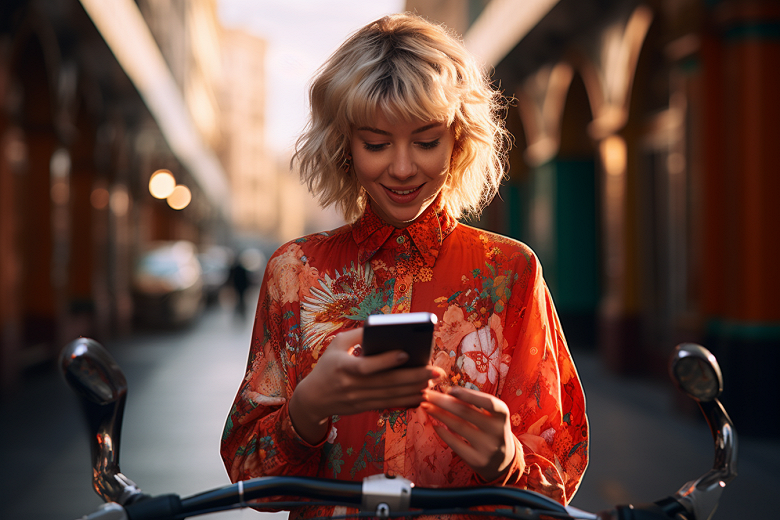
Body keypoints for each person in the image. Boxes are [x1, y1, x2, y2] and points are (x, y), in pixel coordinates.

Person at [221, 13, 588, 518]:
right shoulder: (295, 272)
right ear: (344, 146)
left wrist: (508, 462)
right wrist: (305, 412)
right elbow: (249, 478)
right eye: (375, 144)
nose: (401, 167)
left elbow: (557, 478)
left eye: (426, 140)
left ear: (459, 140)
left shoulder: (509, 273)